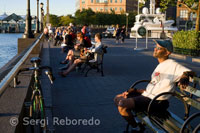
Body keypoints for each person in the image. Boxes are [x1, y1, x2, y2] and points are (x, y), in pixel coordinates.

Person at [114, 39, 195, 131]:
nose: (155, 49)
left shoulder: (173, 64)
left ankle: (136, 128)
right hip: (148, 97)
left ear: (167, 53)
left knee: (122, 104)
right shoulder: (160, 65)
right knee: (117, 98)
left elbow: (190, 72)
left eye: (158, 48)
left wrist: (185, 76)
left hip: (157, 102)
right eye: (155, 47)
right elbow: (153, 88)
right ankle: (137, 125)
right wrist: (136, 90)